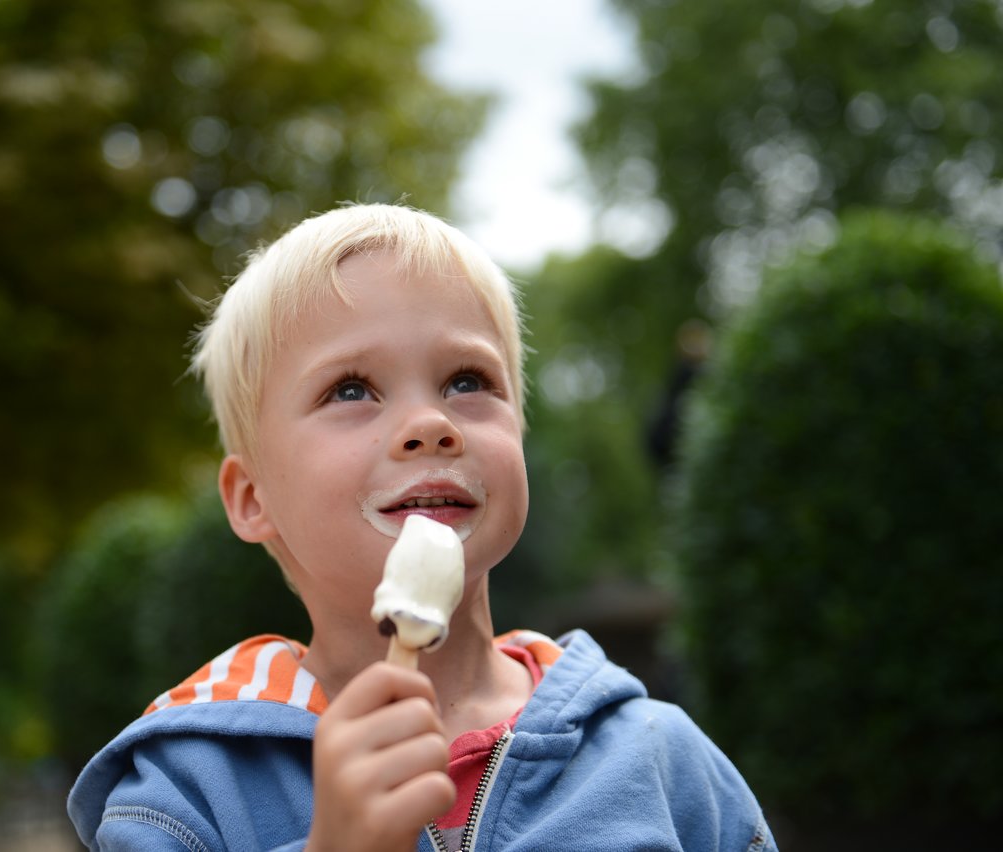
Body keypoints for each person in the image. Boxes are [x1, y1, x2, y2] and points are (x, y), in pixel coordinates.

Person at [67, 203, 777, 851]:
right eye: (351, 390)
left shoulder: (662, 762)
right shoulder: (186, 793)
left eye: (467, 381)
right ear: (252, 497)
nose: (430, 426)